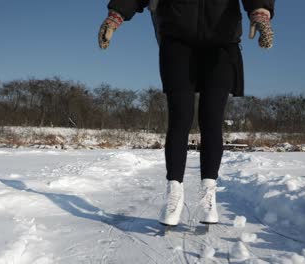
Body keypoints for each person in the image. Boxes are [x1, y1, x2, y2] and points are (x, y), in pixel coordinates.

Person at [98, 0, 275, 227]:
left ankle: (208, 196)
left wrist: (260, 11)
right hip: (177, 41)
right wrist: (116, 15)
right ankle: (174, 192)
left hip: (222, 43)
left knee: (211, 120)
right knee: (180, 118)